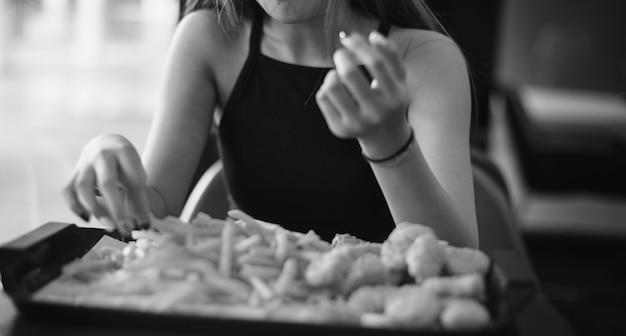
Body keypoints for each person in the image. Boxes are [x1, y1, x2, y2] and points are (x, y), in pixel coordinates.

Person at [63, 0, 479, 248]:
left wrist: (389, 144)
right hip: (252, 318)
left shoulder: (427, 59)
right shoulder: (209, 39)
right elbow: (153, 213)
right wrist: (108, 155)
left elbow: (459, 259)